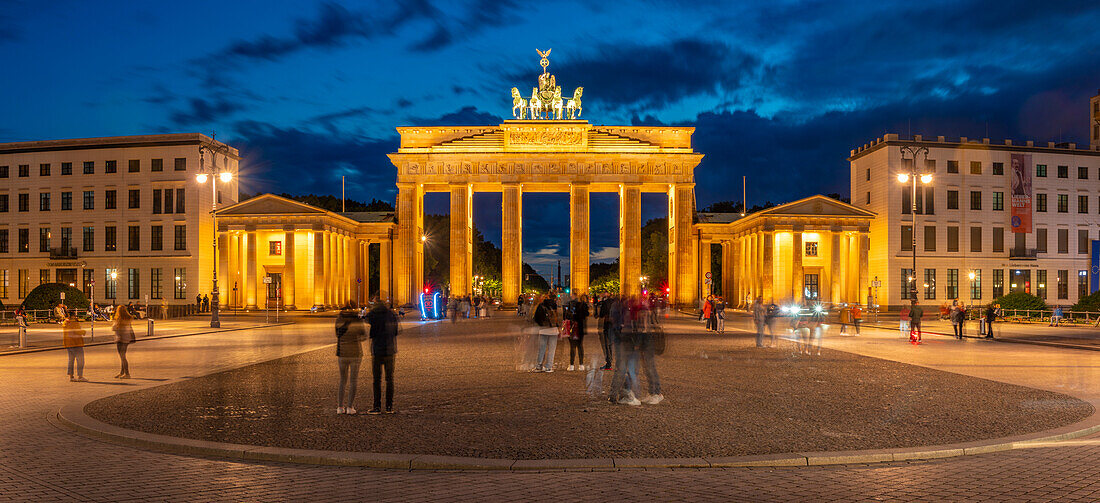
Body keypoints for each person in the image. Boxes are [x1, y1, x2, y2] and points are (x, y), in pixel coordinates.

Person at [367, 300, 399, 414]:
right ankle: (389, 407)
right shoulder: (391, 315)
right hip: (390, 350)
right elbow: (396, 332)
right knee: (389, 379)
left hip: (377, 350)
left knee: (377, 380)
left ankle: (377, 407)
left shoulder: (374, 315)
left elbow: (370, 326)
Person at [334, 302, 366, 415]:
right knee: (353, 381)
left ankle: (339, 407)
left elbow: (337, 334)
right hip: (355, 353)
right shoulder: (357, 320)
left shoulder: (339, 319)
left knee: (342, 380)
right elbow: (364, 336)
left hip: (342, 352)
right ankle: (349, 407)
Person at [532, 296, 559, 372]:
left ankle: (539, 366)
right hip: (554, 330)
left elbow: (535, 318)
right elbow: (559, 317)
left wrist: (540, 325)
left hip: (544, 329)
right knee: (552, 349)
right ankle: (549, 367)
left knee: (542, 349)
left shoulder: (540, 306)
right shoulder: (554, 306)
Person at [112, 303, 136, 378]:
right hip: (126, 339)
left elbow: (114, 328)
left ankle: (127, 373)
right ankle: (122, 372)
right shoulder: (127, 318)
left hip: (120, 339)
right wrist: (133, 337)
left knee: (122, 357)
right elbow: (130, 328)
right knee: (123, 356)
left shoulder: (119, 319)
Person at [62, 314, 88, 382]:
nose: (76, 317)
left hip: (68, 343)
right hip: (76, 343)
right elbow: (77, 331)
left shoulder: (65, 322)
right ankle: (80, 376)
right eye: (75, 316)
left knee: (71, 360)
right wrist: (83, 332)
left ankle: (71, 376)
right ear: (72, 316)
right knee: (80, 360)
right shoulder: (73, 322)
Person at [567, 294, 589, 371]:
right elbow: (587, 314)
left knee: (572, 346)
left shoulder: (571, 304)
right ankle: (581, 365)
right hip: (580, 327)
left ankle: (571, 365)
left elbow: (567, 315)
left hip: (572, 327)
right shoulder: (584, 305)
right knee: (580, 346)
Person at [596, 293, 614, 370]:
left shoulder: (605, 303)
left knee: (607, 345)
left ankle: (609, 363)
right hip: (615, 326)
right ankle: (614, 363)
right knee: (612, 344)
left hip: (607, 325)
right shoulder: (616, 303)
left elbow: (601, 314)